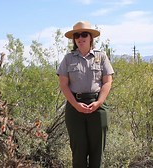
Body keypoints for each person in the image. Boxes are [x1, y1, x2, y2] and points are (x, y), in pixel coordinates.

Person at [57, 21, 114, 168]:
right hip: (75, 107)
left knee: (97, 151)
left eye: (84, 34)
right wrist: (76, 105)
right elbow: (63, 84)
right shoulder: (68, 58)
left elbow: (107, 82)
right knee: (78, 151)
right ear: (74, 39)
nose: (80, 38)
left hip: (97, 105)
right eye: (77, 35)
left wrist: (99, 102)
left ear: (90, 37)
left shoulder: (101, 57)